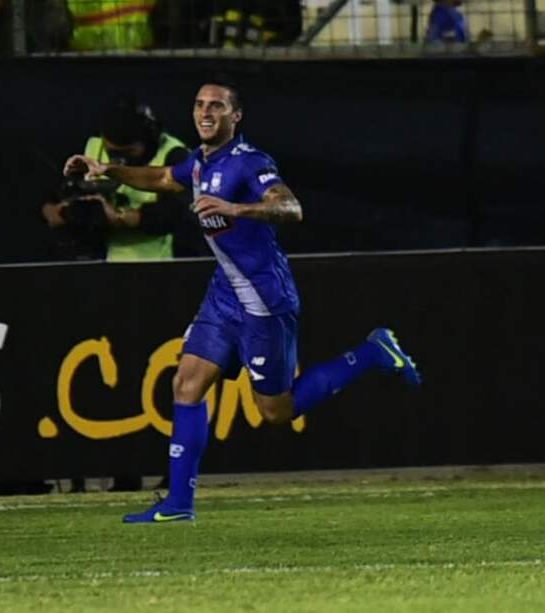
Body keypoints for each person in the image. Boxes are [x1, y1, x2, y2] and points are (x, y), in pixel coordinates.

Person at [64, 79, 422, 523]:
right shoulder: (198, 163)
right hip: (225, 293)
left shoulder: (250, 163)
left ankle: (372, 351)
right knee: (186, 384)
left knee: (277, 410)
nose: (205, 111)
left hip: (263, 300)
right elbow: (159, 177)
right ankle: (178, 504)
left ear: (235, 117)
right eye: (198, 104)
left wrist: (235, 209)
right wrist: (104, 170)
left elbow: (290, 208)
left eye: (217, 105)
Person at [43, 94, 202, 261]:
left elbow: (181, 214)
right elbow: (49, 198)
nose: (119, 160)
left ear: (149, 140)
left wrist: (119, 218)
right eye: (112, 152)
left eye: (128, 153)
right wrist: (62, 213)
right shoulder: (91, 148)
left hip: (160, 265)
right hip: (98, 264)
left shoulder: (176, 156)